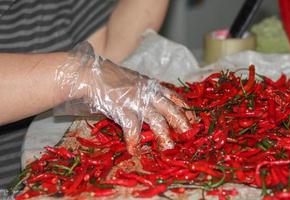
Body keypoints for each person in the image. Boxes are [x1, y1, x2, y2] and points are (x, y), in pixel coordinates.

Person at [0, 0, 190, 188]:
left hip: (50, 167)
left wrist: (91, 73)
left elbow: (109, 51)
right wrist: (79, 74)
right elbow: (93, 70)